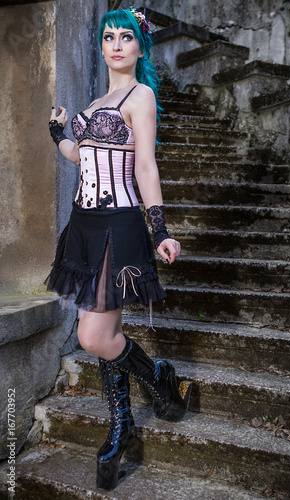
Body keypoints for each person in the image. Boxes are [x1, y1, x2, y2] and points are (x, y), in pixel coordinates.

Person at [46, 7, 192, 492]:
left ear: (139, 46)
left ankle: (158, 375)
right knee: (105, 329)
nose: (115, 45)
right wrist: (59, 135)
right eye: (108, 37)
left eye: (125, 37)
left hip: (118, 224)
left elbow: (144, 166)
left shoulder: (140, 95)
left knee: (92, 336)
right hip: (84, 226)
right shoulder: (98, 99)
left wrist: (160, 231)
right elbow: (82, 154)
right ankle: (122, 424)